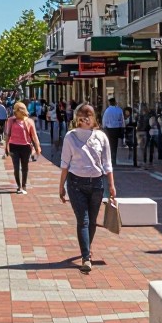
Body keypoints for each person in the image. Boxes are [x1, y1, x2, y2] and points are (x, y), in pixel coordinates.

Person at [58, 103, 116, 273]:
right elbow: (65, 163)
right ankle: (86, 256)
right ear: (77, 118)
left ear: (94, 117)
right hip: (76, 183)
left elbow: (107, 163)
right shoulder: (70, 137)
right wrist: (61, 186)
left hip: (97, 183)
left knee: (92, 221)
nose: (86, 118)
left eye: (89, 115)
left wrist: (111, 185)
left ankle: (86, 248)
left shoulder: (101, 137)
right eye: (83, 115)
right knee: (83, 220)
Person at [5, 100, 41, 193]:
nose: (14, 112)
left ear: (21, 111)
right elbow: (8, 134)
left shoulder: (29, 121)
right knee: (16, 167)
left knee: (25, 167)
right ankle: (19, 186)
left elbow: (34, 135)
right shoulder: (11, 121)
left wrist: (37, 147)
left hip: (26, 147)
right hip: (14, 146)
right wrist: (6, 146)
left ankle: (24, 185)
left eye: (16, 110)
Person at [101, 97, 125, 165]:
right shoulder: (119, 110)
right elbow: (122, 120)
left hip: (109, 129)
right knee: (115, 144)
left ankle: (110, 158)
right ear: (115, 102)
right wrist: (122, 128)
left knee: (109, 144)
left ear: (109, 103)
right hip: (117, 128)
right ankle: (114, 158)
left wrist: (104, 128)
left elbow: (104, 121)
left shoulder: (107, 111)